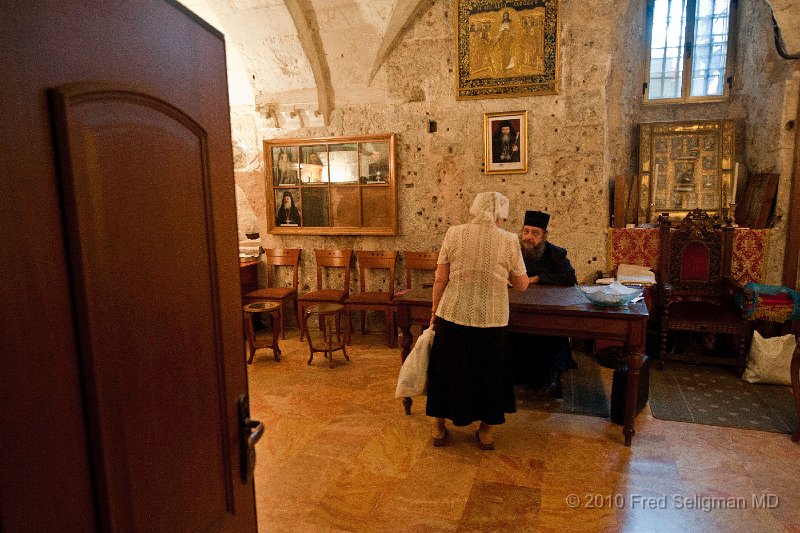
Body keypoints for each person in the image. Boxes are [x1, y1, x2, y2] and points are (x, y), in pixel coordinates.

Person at [426, 192, 529, 450]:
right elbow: (521, 284)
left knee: (448, 370)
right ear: (499, 215)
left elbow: (441, 278)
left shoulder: (454, 233)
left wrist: (434, 312)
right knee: (489, 375)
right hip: (492, 319)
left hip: (452, 313)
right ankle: (486, 432)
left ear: (475, 209)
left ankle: (438, 427)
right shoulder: (509, 240)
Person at [511, 210, 578, 398]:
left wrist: (537, 278)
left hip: (547, 310)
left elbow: (570, 277)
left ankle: (552, 377)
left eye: (535, 233)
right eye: (526, 232)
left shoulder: (555, 253)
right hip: (518, 308)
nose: (528, 237)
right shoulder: (514, 250)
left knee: (552, 334)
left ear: (544, 236)